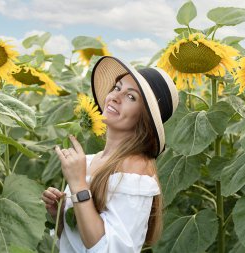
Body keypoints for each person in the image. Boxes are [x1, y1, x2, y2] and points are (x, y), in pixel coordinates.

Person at [41, 56, 179, 253]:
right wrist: (61, 215)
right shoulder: (90, 160)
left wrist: (78, 184)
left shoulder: (135, 169)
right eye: (117, 87)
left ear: (144, 119)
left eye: (131, 97)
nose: (115, 97)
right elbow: (79, 243)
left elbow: (108, 249)